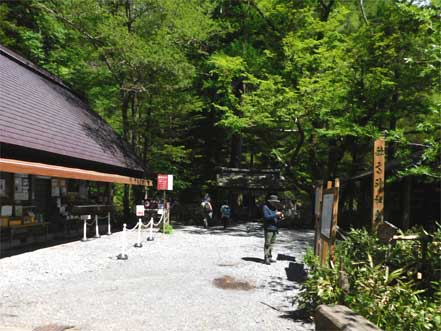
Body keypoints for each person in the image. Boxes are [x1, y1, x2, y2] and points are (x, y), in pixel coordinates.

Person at [262, 194, 284, 265]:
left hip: (275, 228)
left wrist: (280, 217)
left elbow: (275, 218)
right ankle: (266, 257)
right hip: (268, 228)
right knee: (267, 243)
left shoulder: (275, 208)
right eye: (274, 202)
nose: (275, 203)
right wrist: (276, 215)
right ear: (270, 201)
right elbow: (266, 217)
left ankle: (270, 256)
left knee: (272, 244)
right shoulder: (265, 207)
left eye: (276, 202)